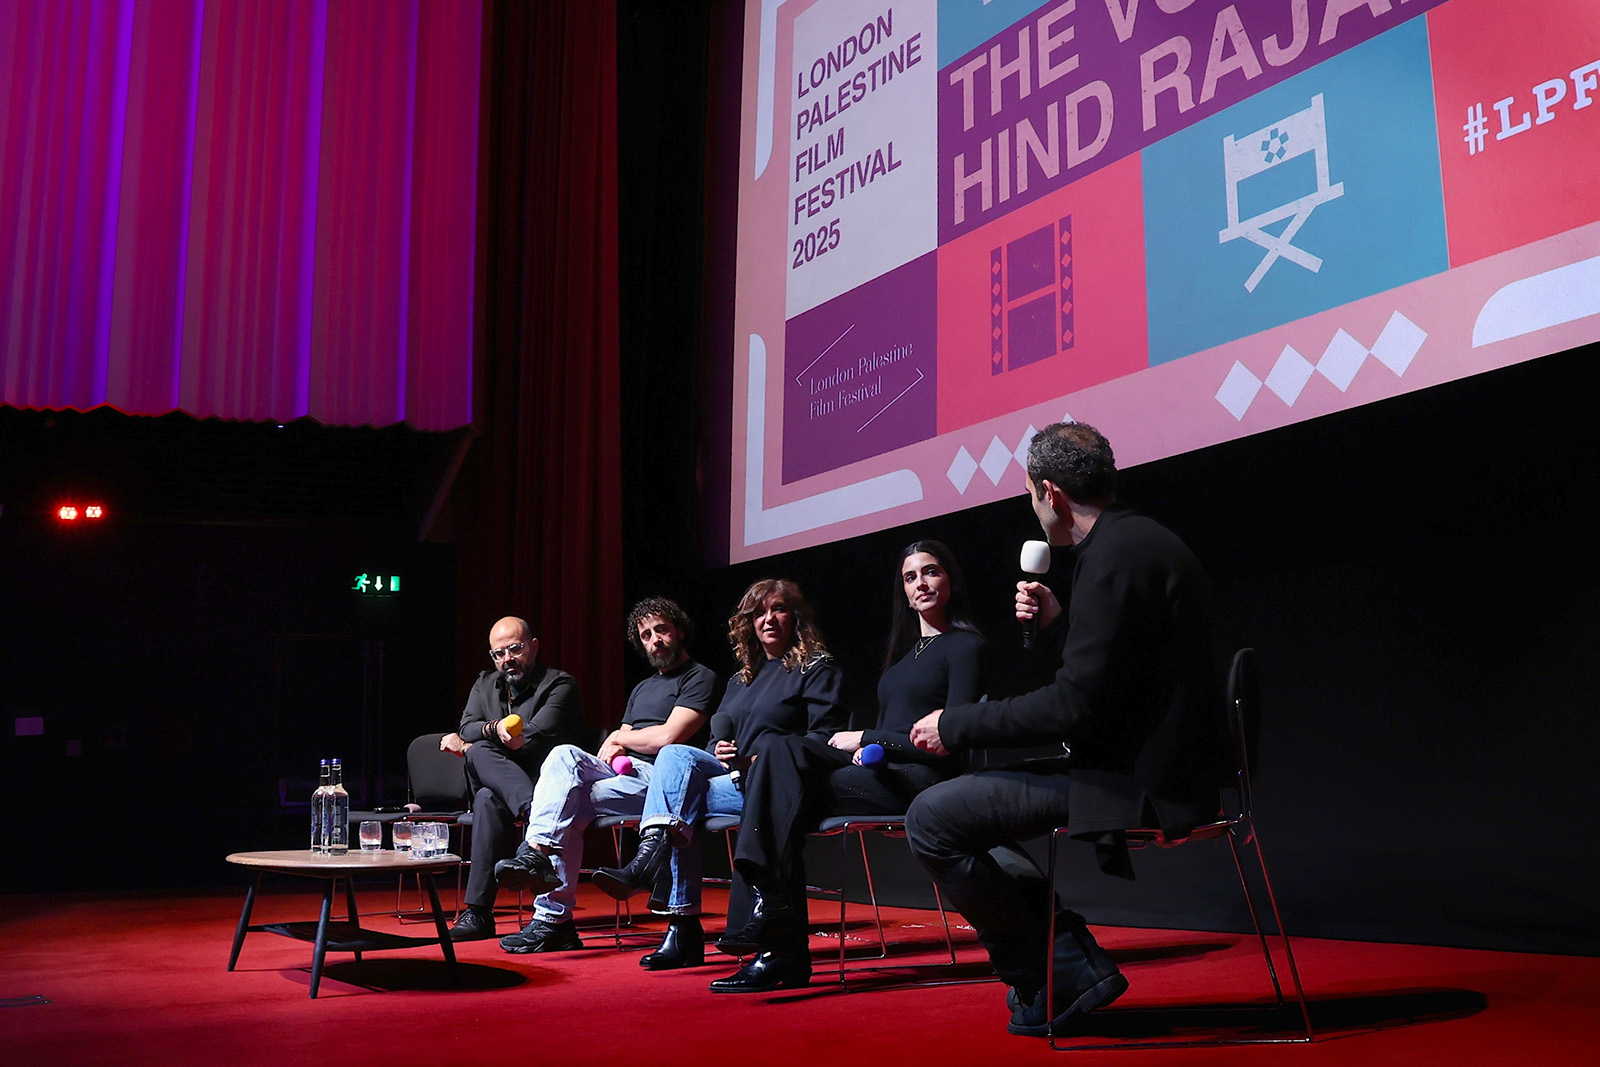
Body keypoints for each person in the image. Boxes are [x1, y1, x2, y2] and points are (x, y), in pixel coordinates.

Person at [905, 422, 1228, 1037]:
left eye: (1029, 494)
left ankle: (1053, 971)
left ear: (1050, 493)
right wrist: (1059, 626)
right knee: (956, 811)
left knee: (932, 818)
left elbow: (1072, 706)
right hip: (1137, 761)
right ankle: (1066, 960)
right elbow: (1119, 681)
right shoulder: (1134, 544)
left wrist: (958, 723)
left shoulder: (1113, 557)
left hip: (1139, 780)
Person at [707, 540, 986, 992]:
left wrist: (869, 738)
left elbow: (953, 740)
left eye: (931, 572)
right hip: (875, 769)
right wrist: (867, 747)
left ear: (950, 580)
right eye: (911, 577)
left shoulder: (964, 647)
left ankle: (775, 941)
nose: (921, 584)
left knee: (776, 770)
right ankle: (775, 928)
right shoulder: (904, 654)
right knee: (776, 759)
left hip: (923, 782)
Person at [592, 579, 846, 984]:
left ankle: (671, 908)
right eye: (759, 613)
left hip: (784, 785)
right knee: (675, 761)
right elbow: (716, 738)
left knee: (677, 798)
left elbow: (824, 739)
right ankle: (662, 886)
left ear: (795, 616)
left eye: (777, 609)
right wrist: (720, 747)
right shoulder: (742, 678)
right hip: (735, 779)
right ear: (748, 624)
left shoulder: (816, 668)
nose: (768, 619)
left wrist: (767, 758)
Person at [490, 598, 720, 953]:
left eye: (661, 630)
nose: (654, 639)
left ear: (679, 631)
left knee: (565, 802)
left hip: (667, 782)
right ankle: (538, 858)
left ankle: (551, 916)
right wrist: (616, 746)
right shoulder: (643, 688)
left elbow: (668, 737)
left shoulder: (699, 677)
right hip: (625, 772)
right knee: (562, 758)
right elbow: (618, 745)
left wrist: (618, 737)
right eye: (645, 635)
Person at [442, 616, 585, 941]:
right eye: (498, 653)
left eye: (515, 649)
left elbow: (534, 736)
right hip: (508, 784)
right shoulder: (484, 683)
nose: (507, 659)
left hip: (549, 787)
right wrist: (495, 729)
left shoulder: (559, 684)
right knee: (480, 764)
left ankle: (478, 913)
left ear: (533, 647)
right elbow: (467, 726)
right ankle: (537, 829)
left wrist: (480, 739)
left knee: (485, 795)